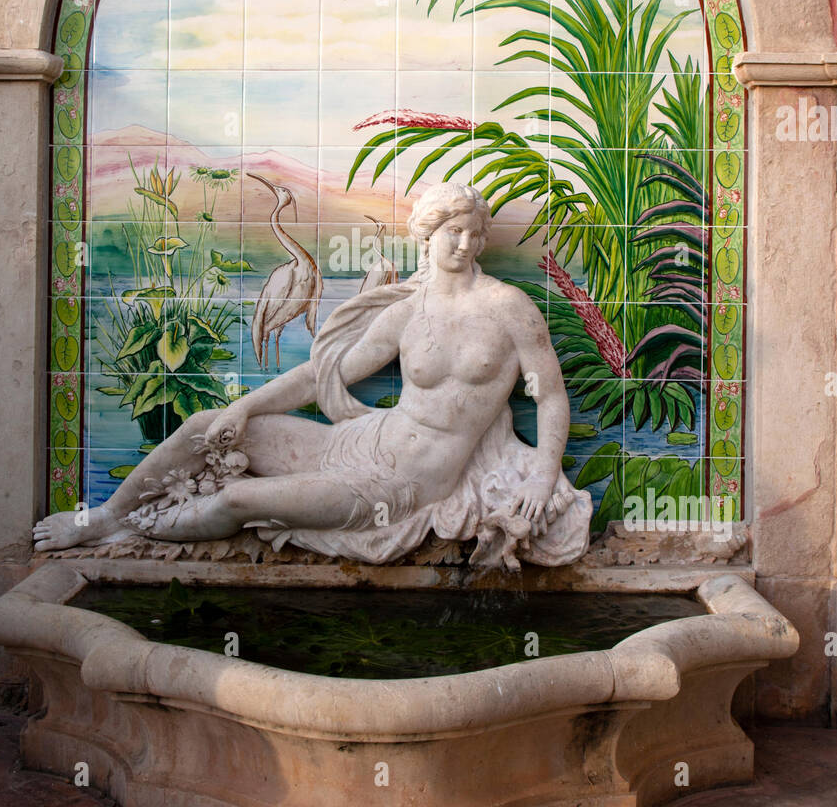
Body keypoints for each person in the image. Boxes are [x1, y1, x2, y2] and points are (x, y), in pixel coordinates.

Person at [33, 182, 591, 569]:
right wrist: (244, 408)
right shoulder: (405, 312)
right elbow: (320, 376)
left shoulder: (509, 307)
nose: (466, 243)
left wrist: (543, 476)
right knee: (208, 423)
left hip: (399, 486)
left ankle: (134, 530)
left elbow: (550, 397)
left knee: (238, 503)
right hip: (359, 442)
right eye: (454, 232)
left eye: (475, 232)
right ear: (429, 236)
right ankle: (107, 516)